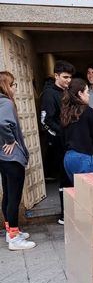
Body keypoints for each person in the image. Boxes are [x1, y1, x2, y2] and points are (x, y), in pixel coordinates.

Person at [0, 71, 36, 250]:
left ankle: (11, 232)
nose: (15, 88)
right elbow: (2, 123)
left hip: (3, 158)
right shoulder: (6, 102)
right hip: (12, 158)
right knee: (14, 198)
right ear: (7, 86)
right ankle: (14, 239)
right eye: (13, 85)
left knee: (7, 195)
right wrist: (10, 140)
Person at [40, 60, 75, 225]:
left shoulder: (68, 92)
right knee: (65, 180)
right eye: (65, 77)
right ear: (56, 75)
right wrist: (61, 136)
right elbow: (46, 121)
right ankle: (64, 215)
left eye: (70, 77)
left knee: (73, 179)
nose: (68, 80)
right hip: (60, 144)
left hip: (72, 143)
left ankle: (73, 213)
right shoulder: (49, 94)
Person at [60, 78, 93, 184]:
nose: (89, 95)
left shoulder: (65, 113)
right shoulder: (89, 111)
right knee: (91, 196)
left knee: (78, 194)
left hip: (68, 158)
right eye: (87, 92)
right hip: (85, 157)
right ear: (80, 93)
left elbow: (62, 137)